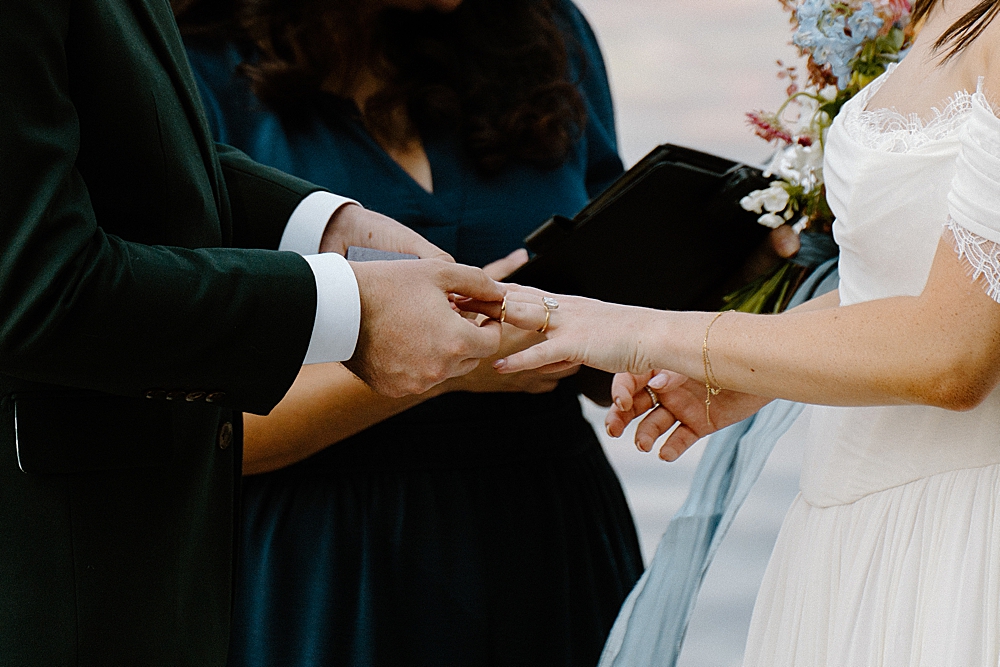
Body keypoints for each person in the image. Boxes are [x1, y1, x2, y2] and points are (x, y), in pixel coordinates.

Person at [491, 0, 1000, 663]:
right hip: (851, 528)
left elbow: (950, 354)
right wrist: (746, 364)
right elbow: (905, 284)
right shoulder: (935, 11)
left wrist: (642, 331)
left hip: (964, 528)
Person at [0, 1, 505, 665]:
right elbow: (37, 285)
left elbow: (132, 143)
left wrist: (326, 226)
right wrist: (349, 309)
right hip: (52, 595)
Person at [171, 0, 644, 664]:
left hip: (552, 539)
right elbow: (176, 431)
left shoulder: (546, 29)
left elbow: (614, 275)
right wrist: (443, 367)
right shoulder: (190, 64)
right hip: (317, 571)